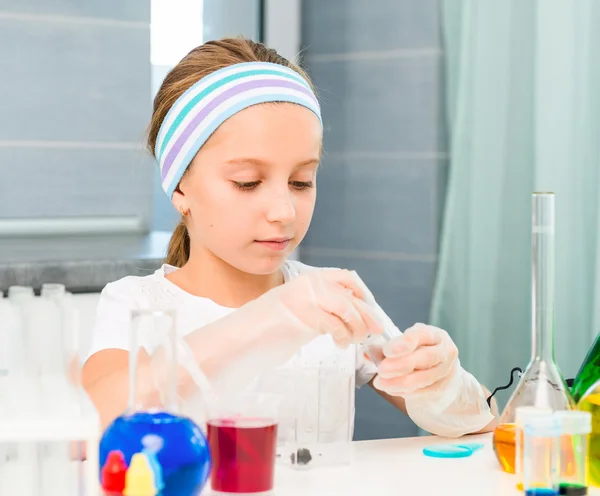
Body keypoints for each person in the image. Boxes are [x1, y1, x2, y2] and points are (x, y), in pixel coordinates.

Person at [82, 38, 498, 437]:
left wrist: (442, 384)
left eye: (301, 182)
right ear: (180, 189)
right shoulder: (137, 305)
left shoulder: (332, 298)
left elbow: (483, 423)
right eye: (247, 183)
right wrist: (271, 318)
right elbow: (101, 419)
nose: (284, 212)